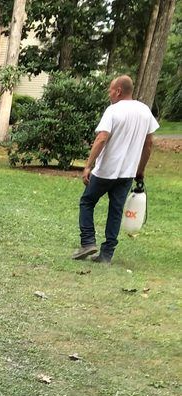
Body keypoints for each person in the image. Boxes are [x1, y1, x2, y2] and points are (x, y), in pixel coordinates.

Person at [73, 75, 158, 264]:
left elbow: (102, 138)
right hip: (127, 173)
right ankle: (107, 254)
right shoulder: (144, 111)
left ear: (118, 91)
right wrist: (140, 170)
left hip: (106, 170)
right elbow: (149, 142)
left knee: (87, 202)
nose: (109, 93)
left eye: (110, 90)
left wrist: (88, 165)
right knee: (116, 210)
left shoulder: (113, 110)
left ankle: (88, 242)